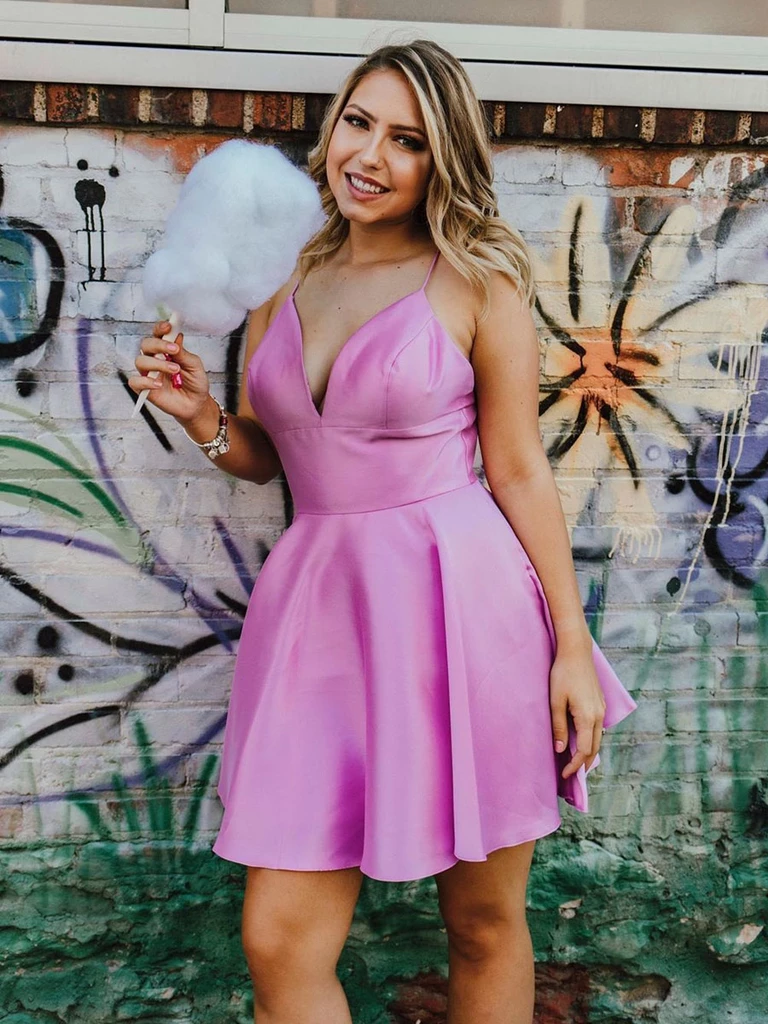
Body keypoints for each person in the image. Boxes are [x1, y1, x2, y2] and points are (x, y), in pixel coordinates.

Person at [130, 38, 637, 1024]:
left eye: (407, 140)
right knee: (279, 940)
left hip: (464, 610)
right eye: (359, 124)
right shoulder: (282, 274)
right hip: (317, 614)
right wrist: (201, 417)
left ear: (441, 160)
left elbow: (519, 469)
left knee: (481, 923)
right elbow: (272, 452)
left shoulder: (476, 279)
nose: (370, 155)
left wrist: (572, 647)